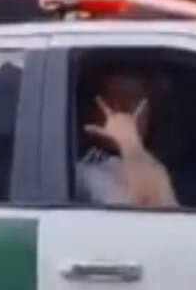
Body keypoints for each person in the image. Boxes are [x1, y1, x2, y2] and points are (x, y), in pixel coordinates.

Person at [76, 73, 178, 207]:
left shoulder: (150, 162)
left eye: (137, 100)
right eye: (116, 103)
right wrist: (128, 141)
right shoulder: (86, 171)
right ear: (92, 112)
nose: (125, 115)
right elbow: (152, 210)